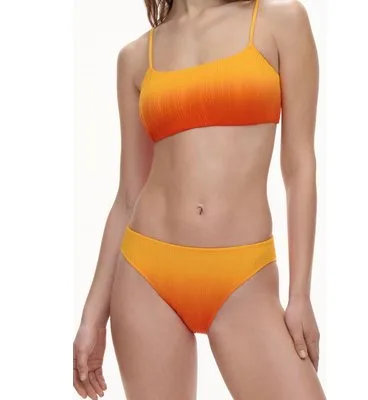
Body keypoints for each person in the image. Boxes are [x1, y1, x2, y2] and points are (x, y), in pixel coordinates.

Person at [73, 0, 326, 398]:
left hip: (245, 277)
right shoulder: (136, 57)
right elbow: (128, 195)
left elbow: (299, 166)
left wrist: (300, 295)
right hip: (146, 275)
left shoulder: (279, 21)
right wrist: (92, 315)